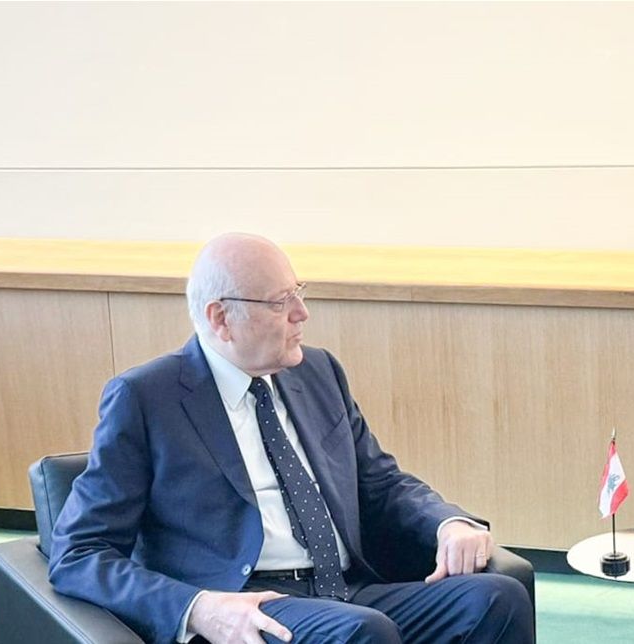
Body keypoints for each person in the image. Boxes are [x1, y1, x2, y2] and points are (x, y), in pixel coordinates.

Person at [48, 233, 533, 643]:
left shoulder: (318, 371)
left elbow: (380, 483)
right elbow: (79, 553)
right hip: (250, 602)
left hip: (346, 587)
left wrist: (447, 523)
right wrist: (198, 608)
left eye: (298, 293)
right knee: (364, 632)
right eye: (281, 302)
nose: (302, 313)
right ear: (220, 318)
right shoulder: (146, 398)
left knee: (497, 597)